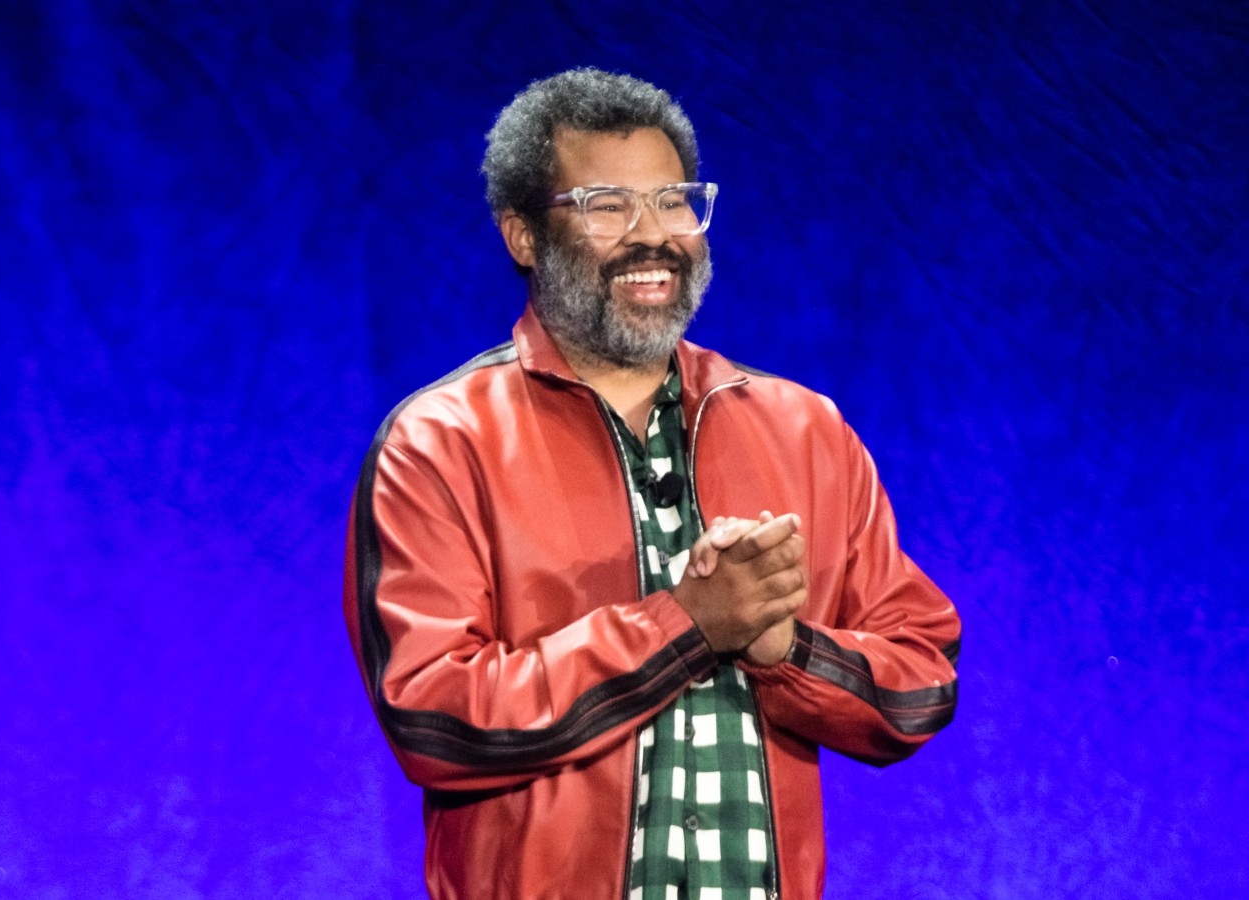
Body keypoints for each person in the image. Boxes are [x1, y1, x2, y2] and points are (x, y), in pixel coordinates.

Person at [344, 67, 960, 899]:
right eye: (607, 206)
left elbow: (920, 680)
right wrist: (686, 625)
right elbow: (435, 719)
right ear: (522, 234)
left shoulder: (802, 427)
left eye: (675, 202)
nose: (654, 235)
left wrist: (783, 649)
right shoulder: (439, 444)